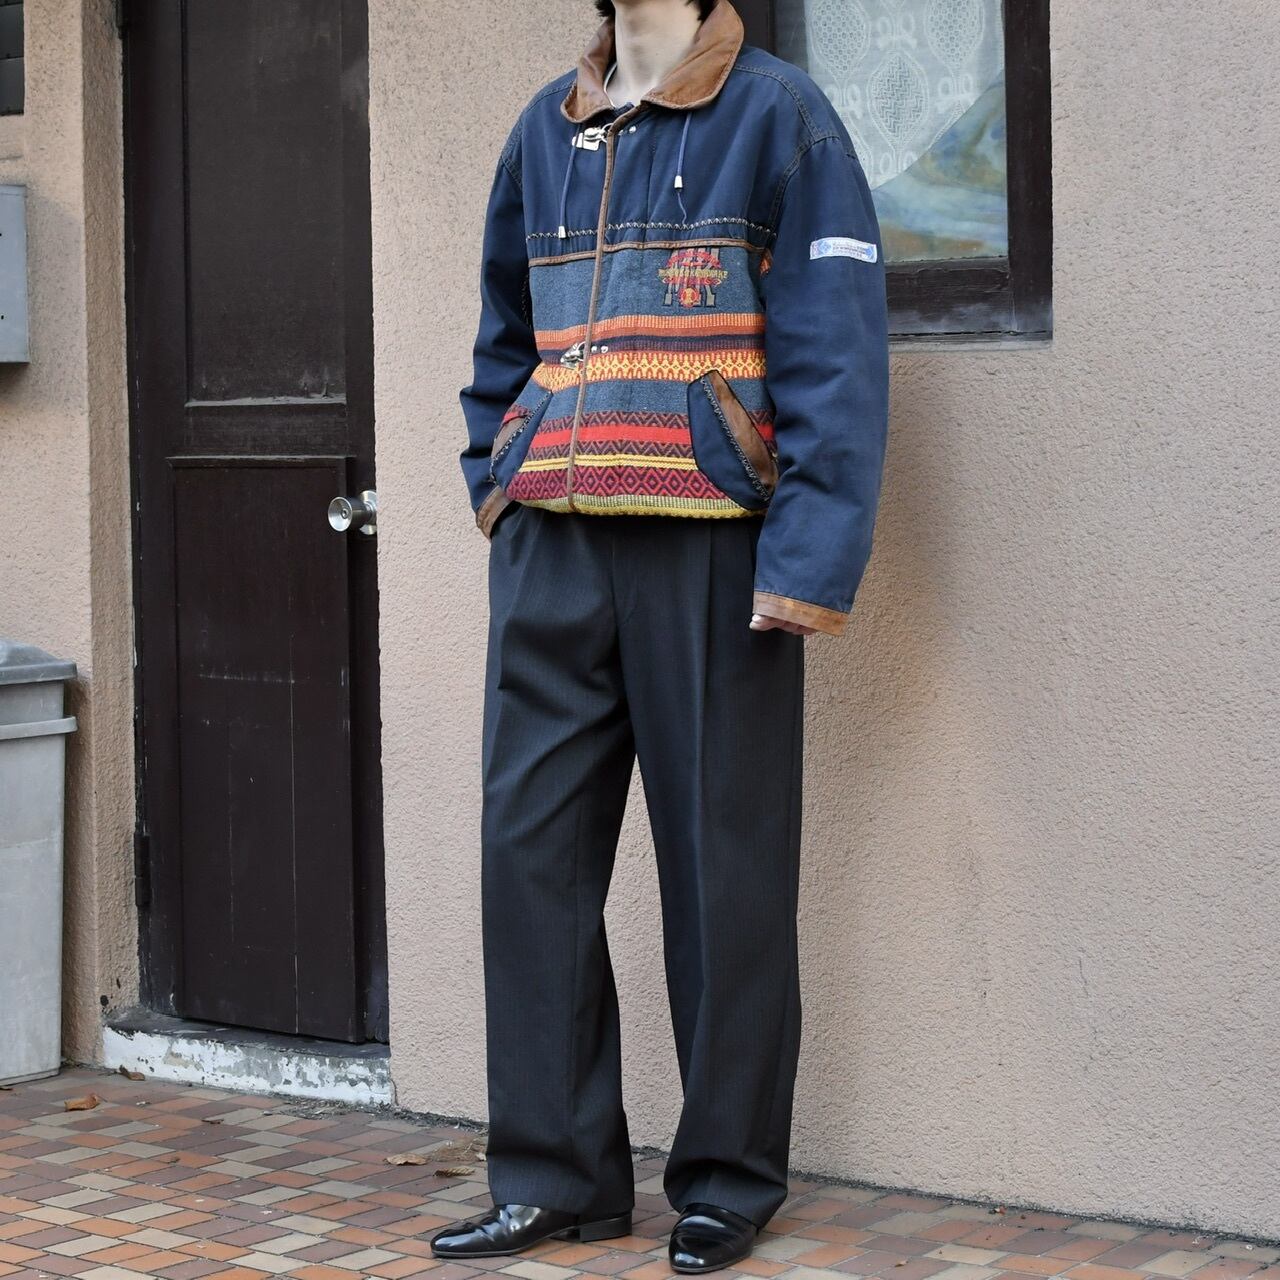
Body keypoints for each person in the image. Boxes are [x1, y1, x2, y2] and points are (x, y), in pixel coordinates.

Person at [432, 0, 889, 1271]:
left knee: (721, 874)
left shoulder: (779, 117)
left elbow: (836, 350)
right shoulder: (545, 129)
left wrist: (804, 558)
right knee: (527, 859)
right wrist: (496, 478)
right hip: (554, 544)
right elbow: (501, 330)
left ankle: (727, 1180)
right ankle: (556, 1174)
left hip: (711, 544)